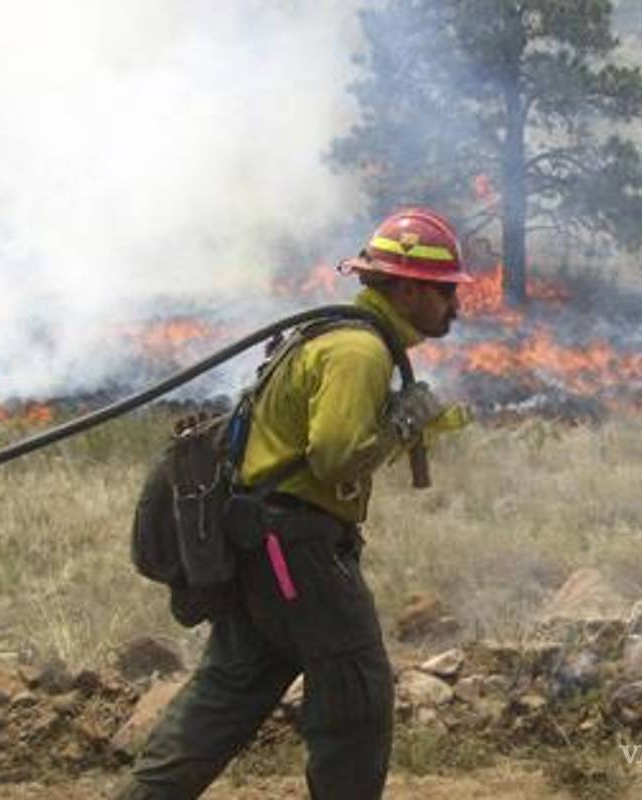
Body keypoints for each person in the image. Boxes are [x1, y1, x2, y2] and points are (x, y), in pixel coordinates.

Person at [115, 208, 474, 800]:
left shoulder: (335, 336)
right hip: (296, 553)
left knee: (226, 694)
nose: (454, 305)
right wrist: (402, 427)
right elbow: (335, 459)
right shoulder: (359, 351)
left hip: (262, 546)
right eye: (444, 292)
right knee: (355, 699)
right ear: (407, 289)